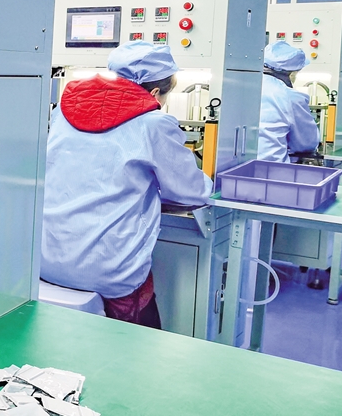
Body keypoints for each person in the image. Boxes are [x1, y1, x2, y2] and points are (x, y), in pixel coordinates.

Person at [41, 41, 213, 328]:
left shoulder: (65, 109)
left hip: (48, 260)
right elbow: (190, 192)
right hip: (109, 272)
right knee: (142, 337)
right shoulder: (153, 123)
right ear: (155, 92)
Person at [258, 40, 321, 162]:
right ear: (291, 73)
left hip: (233, 168)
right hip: (271, 169)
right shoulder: (291, 97)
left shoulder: (244, 87)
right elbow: (306, 143)